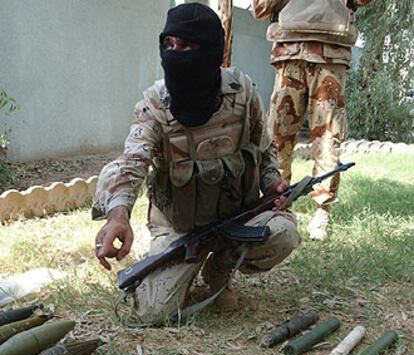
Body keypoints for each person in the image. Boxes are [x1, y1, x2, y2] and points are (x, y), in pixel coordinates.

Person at [93, 2, 300, 325]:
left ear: (213, 51)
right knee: (151, 312)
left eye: (188, 45)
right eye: (169, 45)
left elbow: (263, 150)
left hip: (236, 219)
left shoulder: (242, 93)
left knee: (283, 232)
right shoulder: (154, 105)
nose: (176, 54)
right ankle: (189, 265)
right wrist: (118, 215)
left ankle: (220, 266)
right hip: (179, 228)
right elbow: (131, 163)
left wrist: (272, 182)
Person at [252, 0, 372, 240]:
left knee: (328, 138)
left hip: (331, 50)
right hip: (289, 49)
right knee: (278, 137)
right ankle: (275, 203)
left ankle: (322, 211)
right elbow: (260, 8)